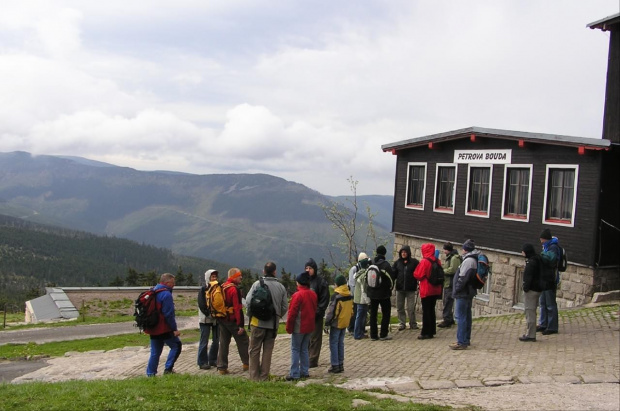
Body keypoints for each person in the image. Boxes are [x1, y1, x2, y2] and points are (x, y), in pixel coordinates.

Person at [245, 261, 289, 381]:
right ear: (275, 272)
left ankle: (254, 377)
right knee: (267, 351)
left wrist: (250, 315)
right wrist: (277, 316)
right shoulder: (281, 287)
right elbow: (285, 307)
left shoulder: (256, 284)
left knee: (254, 350)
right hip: (272, 325)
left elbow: (248, 302)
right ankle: (264, 377)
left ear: (264, 271)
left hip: (257, 323)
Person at [145, 273, 182, 376]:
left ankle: (150, 373)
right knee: (176, 346)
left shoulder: (153, 290)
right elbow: (168, 314)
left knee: (155, 352)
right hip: (163, 327)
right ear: (168, 282)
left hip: (153, 327)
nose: (174, 285)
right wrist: (174, 329)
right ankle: (168, 369)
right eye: (173, 283)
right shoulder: (166, 294)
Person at [216, 268, 250, 375]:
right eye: (239, 275)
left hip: (222, 319)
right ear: (234, 276)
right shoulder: (234, 289)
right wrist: (240, 325)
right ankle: (247, 363)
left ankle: (222, 367)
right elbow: (237, 308)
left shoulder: (222, 287)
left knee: (224, 343)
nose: (241, 277)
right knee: (243, 341)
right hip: (232, 320)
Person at [285, 271, 318, 381]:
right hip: (310, 326)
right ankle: (305, 371)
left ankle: (294, 373)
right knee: (304, 349)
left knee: (295, 349)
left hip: (299, 326)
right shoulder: (313, 294)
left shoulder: (297, 295)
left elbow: (292, 313)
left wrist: (289, 327)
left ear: (299, 283)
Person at [450, 239, 479, 350]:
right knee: (466, 316)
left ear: (465, 249)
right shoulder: (473, 259)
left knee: (460, 316)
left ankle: (461, 341)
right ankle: (466, 339)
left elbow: (463, 278)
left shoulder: (468, 261)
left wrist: (456, 289)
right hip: (469, 292)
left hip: (463, 292)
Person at [413, 243, 443, 339]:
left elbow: (418, 275)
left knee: (426, 311)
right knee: (431, 310)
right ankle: (432, 331)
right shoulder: (437, 261)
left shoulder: (424, 262)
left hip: (427, 289)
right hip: (436, 289)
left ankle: (425, 332)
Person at [324, 274, 353, 373]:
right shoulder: (349, 294)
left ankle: (335, 365)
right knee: (341, 343)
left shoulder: (336, 296)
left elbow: (332, 311)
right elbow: (351, 310)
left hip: (336, 323)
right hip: (345, 322)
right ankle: (341, 364)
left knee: (333, 343)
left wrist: (327, 322)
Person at [368, 245, 396, 341]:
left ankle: (373, 335)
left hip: (372, 293)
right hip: (384, 294)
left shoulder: (371, 263)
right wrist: (390, 289)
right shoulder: (386, 265)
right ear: (384, 253)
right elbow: (391, 279)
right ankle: (383, 334)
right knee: (386, 313)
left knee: (373, 314)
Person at [305, 258, 330, 368]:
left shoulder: (320, 282)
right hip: (306, 315)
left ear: (314, 269)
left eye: (310, 268)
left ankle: (313, 360)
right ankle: (305, 357)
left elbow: (324, 298)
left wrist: (319, 311)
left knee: (315, 338)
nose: (308, 270)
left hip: (316, 315)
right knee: (306, 338)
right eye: (306, 268)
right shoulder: (304, 281)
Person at [537, 228, 560, 335]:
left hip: (550, 279)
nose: (541, 241)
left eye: (542, 239)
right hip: (543, 278)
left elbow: (550, 260)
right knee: (543, 302)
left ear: (545, 239)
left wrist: (540, 256)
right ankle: (543, 324)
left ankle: (552, 327)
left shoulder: (554, 247)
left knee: (550, 304)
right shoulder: (546, 247)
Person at [392, 245, 419, 331]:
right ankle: (402, 323)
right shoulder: (397, 263)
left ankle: (413, 323)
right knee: (400, 307)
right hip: (400, 288)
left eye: (405, 252)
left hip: (410, 288)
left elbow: (418, 273)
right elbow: (393, 274)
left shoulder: (414, 262)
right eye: (402, 252)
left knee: (410, 308)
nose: (403, 254)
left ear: (408, 253)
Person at [196, 269, 220, 370]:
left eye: (215, 277)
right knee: (204, 340)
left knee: (216, 340)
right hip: (205, 319)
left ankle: (213, 359)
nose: (214, 279)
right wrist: (208, 313)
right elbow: (201, 304)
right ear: (208, 278)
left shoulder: (218, 289)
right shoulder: (203, 290)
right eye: (212, 277)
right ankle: (202, 362)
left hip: (216, 318)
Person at [520, 243, 543, 342]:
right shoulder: (538, 259)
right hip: (538, 289)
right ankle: (531, 333)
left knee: (530, 312)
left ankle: (531, 334)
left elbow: (528, 278)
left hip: (531, 290)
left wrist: (525, 288)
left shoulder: (531, 263)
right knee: (532, 311)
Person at [438, 242, 462, 328]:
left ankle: (447, 319)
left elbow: (453, 270)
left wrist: (443, 271)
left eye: (444, 249)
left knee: (447, 301)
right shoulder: (450, 257)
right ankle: (450, 319)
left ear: (447, 249)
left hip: (451, 283)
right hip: (448, 282)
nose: (444, 251)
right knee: (447, 301)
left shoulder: (454, 258)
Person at [347, 252, 369, 335]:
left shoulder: (365, 269)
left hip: (361, 295)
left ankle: (361, 328)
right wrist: (353, 294)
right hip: (355, 295)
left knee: (362, 313)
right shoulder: (354, 269)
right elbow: (351, 283)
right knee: (355, 312)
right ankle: (352, 328)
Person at [352, 253, 371, 340]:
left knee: (360, 316)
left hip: (357, 298)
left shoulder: (358, 273)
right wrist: (368, 301)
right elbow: (364, 289)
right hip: (362, 299)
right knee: (360, 316)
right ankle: (357, 334)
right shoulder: (364, 275)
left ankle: (359, 332)